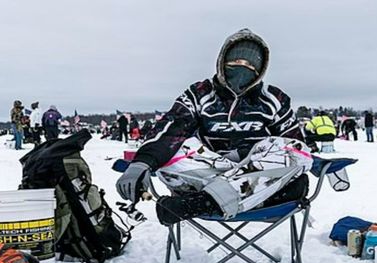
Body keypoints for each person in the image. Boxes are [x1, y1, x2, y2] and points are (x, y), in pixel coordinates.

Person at [116, 28, 315, 226]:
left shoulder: (273, 98)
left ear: (261, 69)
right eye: (236, 61)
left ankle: (201, 204)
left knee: (296, 151)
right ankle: (235, 197)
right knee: (175, 150)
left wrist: (249, 158)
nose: (242, 67)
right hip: (210, 170)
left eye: (250, 64)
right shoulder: (199, 93)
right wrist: (141, 163)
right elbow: (171, 129)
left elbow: (295, 142)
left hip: (257, 171)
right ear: (222, 61)